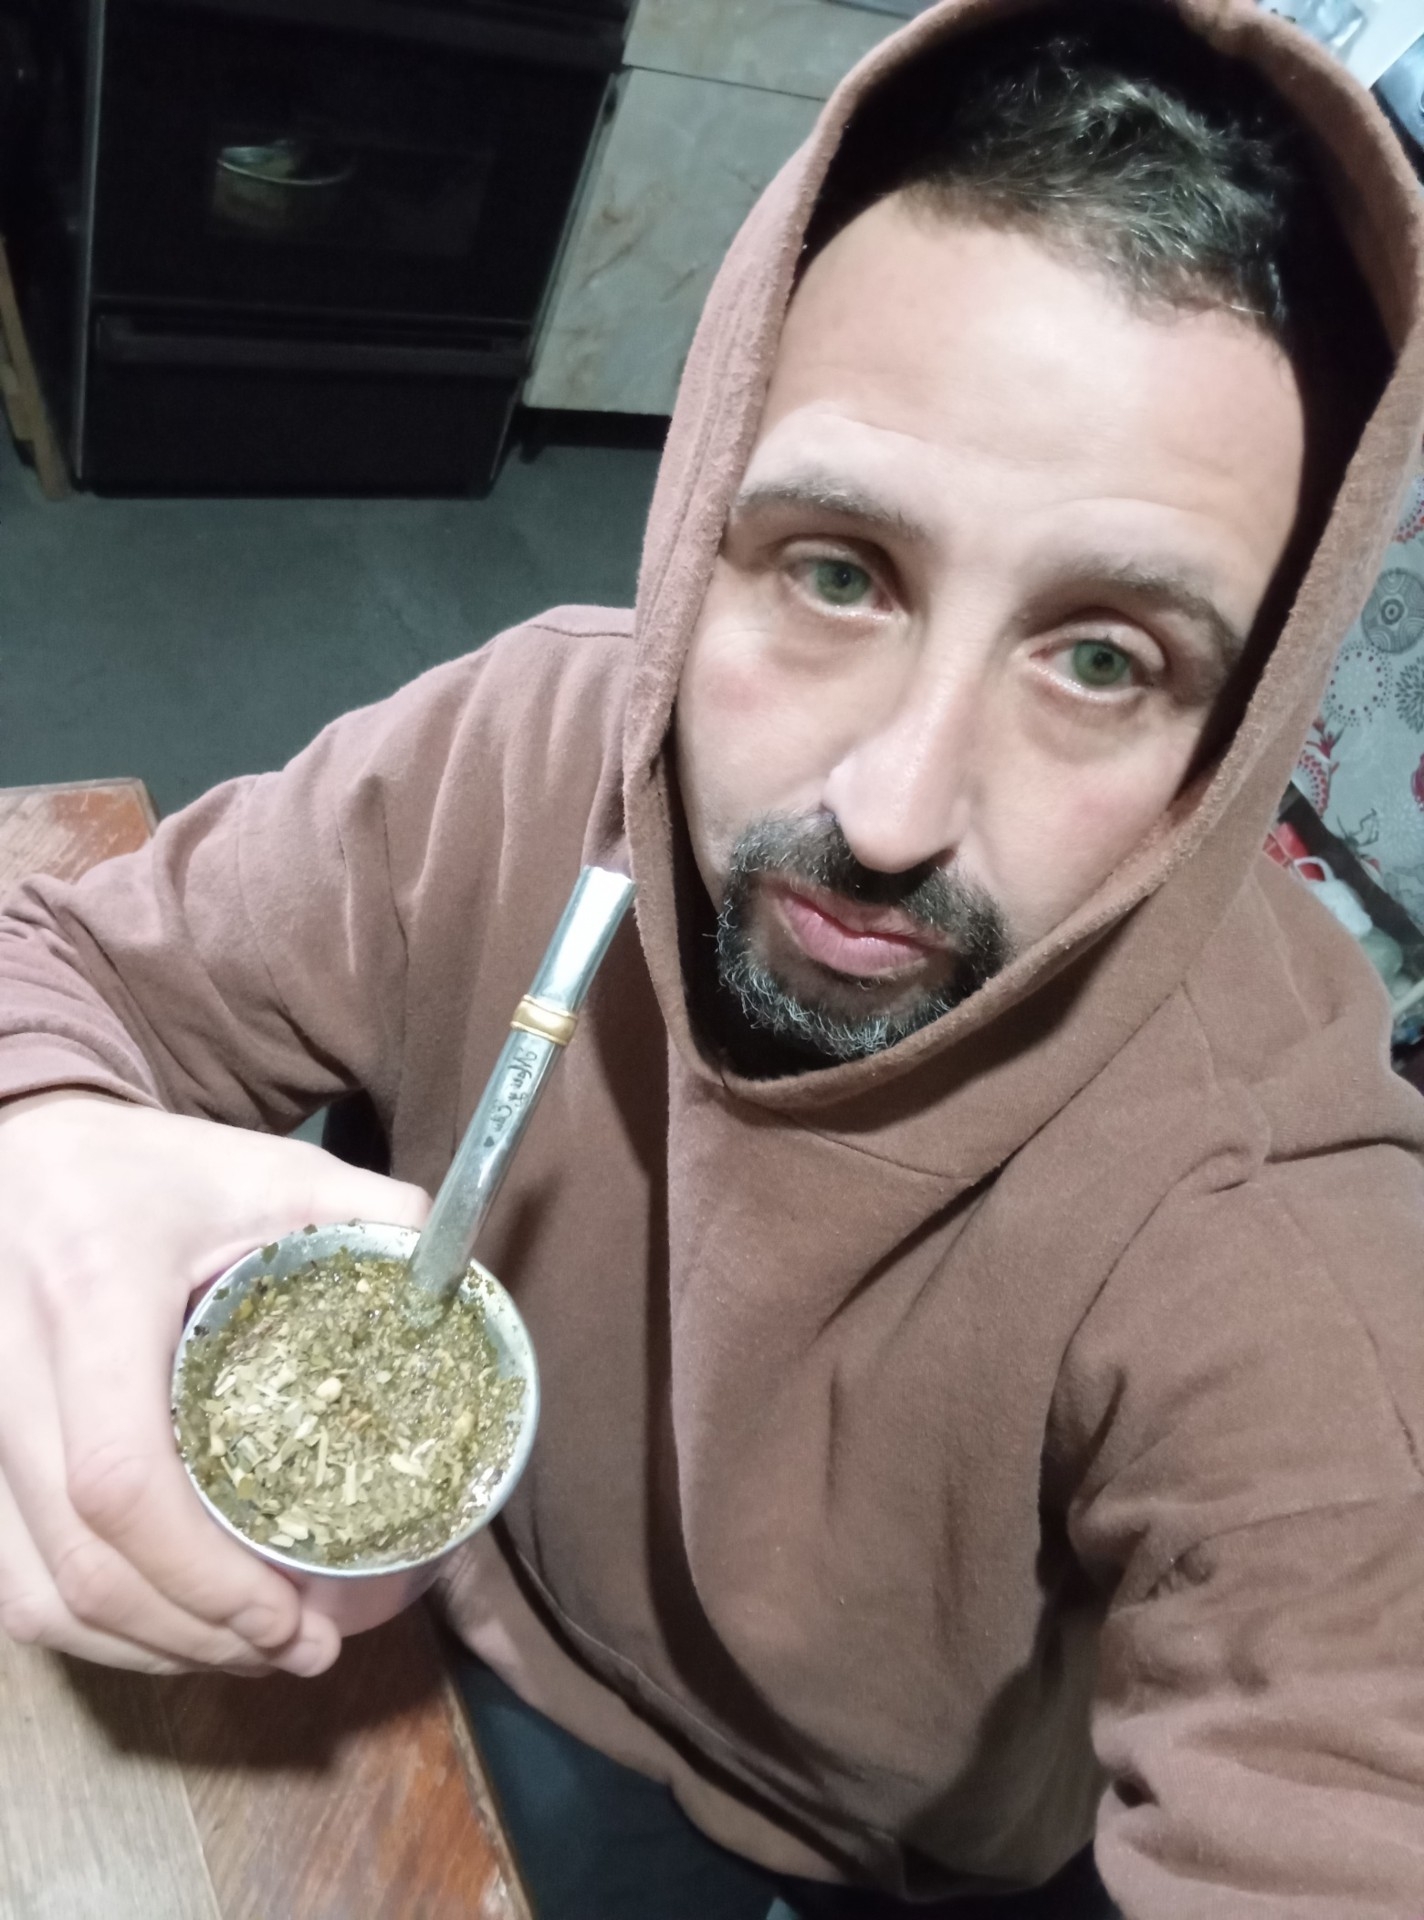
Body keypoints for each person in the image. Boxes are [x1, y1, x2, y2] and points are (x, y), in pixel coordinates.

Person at [2, 0, 1423, 1913]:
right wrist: (43, 1145)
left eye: (1105, 659)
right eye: (837, 570)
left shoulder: (1282, 1234)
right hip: (394, 1614)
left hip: (823, 1855)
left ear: (1234, 735)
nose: (895, 809)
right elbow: (56, 955)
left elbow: (1352, 1781)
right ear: (694, 533)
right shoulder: (525, 742)